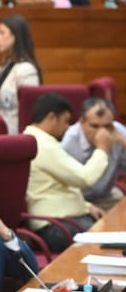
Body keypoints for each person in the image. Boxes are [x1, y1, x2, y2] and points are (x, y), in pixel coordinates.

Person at [24, 92, 114, 252]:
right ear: (51, 117)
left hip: (64, 221)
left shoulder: (38, 139)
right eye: (65, 121)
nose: (67, 127)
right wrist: (102, 149)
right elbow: (84, 178)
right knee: (110, 240)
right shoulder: (43, 145)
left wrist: (86, 206)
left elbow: (59, 185)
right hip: (56, 226)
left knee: (113, 231)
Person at [61, 97, 126, 211]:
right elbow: (65, 189)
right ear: (82, 122)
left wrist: (124, 143)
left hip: (107, 197)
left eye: (107, 126)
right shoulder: (69, 142)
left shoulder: (118, 131)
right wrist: (102, 148)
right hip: (81, 203)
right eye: (94, 126)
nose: (102, 132)